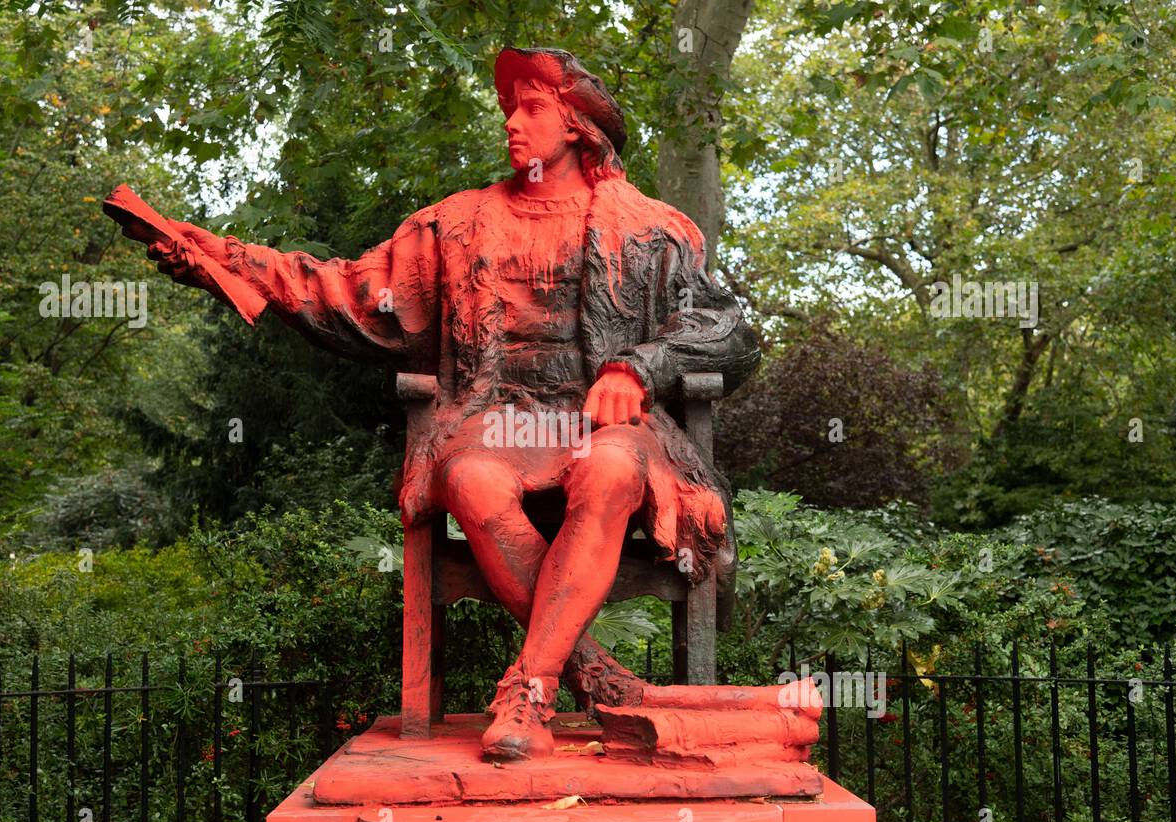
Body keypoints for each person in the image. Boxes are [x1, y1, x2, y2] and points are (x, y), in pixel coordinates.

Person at [122, 47, 761, 760]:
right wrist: (224, 259)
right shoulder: (456, 225)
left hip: (608, 422)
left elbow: (727, 328)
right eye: (509, 109)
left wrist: (640, 368)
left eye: (532, 107)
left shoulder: (651, 226)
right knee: (467, 479)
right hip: (497, 418)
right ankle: (591, 675)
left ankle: (531, 686)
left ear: (578, 124)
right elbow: (347, 291)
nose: (514, 124)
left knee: (609, 469)